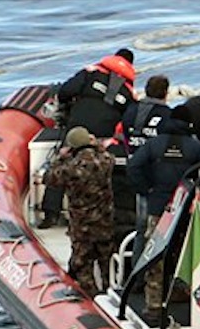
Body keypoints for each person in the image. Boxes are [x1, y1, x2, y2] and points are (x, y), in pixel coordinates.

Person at [126, 106, 200, 321]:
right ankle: (188, 298)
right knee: (185, 253)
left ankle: (153, 305)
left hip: (159, 209)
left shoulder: (153, 145)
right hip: (185, 209)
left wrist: (146, 190)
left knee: (155, 256)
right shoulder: (195, 146)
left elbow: (134, 166)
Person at [38, 48, 136, 229]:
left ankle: (51, 214)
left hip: (78, 127)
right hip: (104, 135)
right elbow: (129, 120)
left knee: (62, 163)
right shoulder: (129, 92)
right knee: (101, 170)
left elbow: (66, 91)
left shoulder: (91, 73)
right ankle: (102, 216)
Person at [43, 127, 115, 297]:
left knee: (82, 262)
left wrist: (60, 158)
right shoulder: (106, 160)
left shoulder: (70, 168)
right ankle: (109, 289)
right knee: (106, 257)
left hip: (82, 223)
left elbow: (49, 178)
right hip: (105, 218)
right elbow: (104, 152)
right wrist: (95, 144)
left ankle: (89, 294)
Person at [122, 75, 173, 266]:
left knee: (141, 228)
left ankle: (136, 268)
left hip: (135, 169)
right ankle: (155, 269)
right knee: (157, 227)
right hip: (157, 176)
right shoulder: (167, 116)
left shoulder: (130, 111)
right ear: (166, 93)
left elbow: (126, 136)